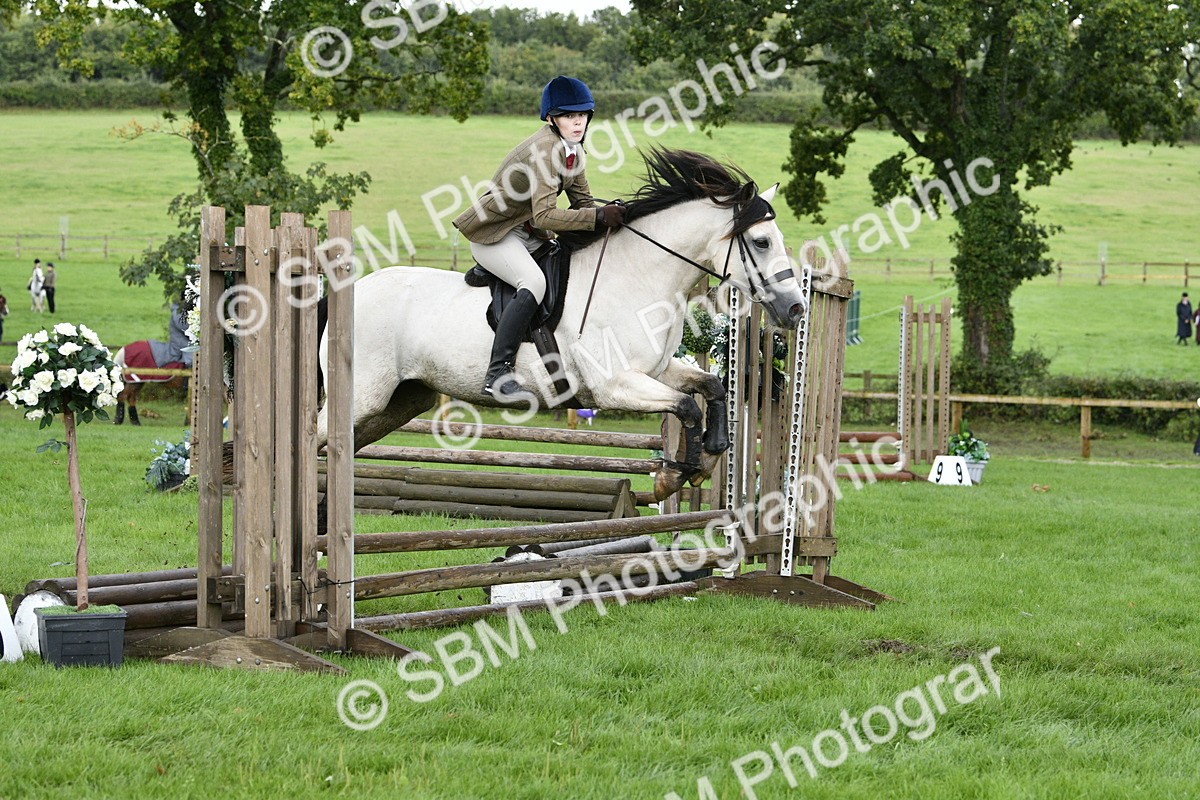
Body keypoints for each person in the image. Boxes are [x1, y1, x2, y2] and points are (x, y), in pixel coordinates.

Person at [452, 75, 626, 400]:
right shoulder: (546, 150)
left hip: (528, 232)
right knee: (534, 282)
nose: (578, 122)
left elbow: (584, 204)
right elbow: (545, 215)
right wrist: (599, 217)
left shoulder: (573, 150)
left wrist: (617, 215)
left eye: (582, 115)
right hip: (496, 234)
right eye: (569, 116)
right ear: (551, 118)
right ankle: (497, 374)